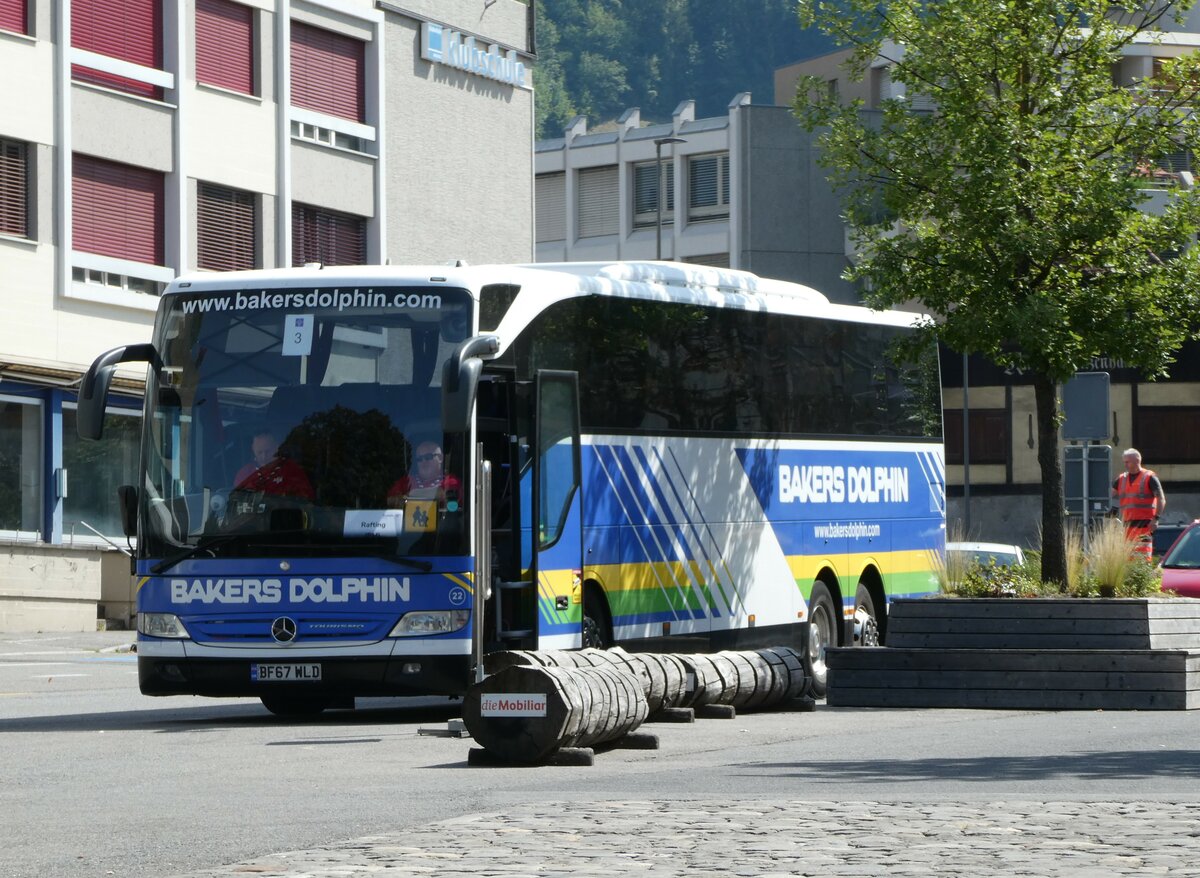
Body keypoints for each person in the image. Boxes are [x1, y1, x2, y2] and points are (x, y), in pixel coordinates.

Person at [1110, 447, 1166, 560]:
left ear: (1136, 461)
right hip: (1127, 525)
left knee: (1142, 558)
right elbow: (1107, 496)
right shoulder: (1121, 479)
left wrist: (1156, 518)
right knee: (1128, 559)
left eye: (1127, 462)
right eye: (1124, 462)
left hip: (1145, 525)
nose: (1125, 465)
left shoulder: (1149, 477)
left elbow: (1161, 499)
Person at [233, 429, 314, 500]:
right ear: (253, 449)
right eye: (260, 452)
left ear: (276, 447)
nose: (264, 456)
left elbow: (307, 499)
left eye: (267, 451)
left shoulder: (292, 471)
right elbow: (236, 502)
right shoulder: (244, 474)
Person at [387, 440, 460, 508]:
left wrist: (408, 496)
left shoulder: (450, 480)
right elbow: (389, 500)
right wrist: (398, 500)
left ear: (440, 458)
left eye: (428, 457)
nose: (423, 461)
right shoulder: (407, 481)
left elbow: (441, 493)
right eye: (419, 459)